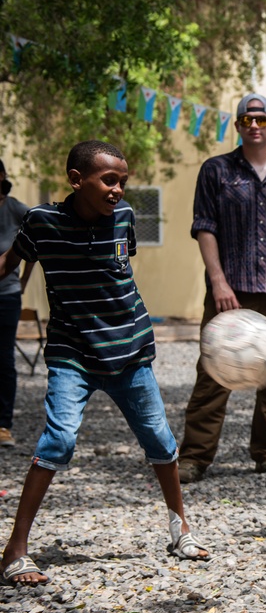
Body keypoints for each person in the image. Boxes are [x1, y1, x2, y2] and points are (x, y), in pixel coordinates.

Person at [0, 141, 209, 586]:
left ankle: (180, 528)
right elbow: (14, 260)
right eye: (108, 180)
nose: (118, 189)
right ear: (77, 180)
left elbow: (119, 269)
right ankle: (15, 549)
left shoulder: (125, 218)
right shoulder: (41, 222)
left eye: (123, 181)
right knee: (58, 440)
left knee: (159, 437)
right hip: (72, 351)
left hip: (129, 349)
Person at [177, 93, 266, 483]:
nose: (254, 125)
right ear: (237, 127)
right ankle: (194, 457)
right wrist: (218, 281)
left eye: (261, 119)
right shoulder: (216, 171)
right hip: (230, 293)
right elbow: (204, 228)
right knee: (213, 374)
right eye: (246, 120)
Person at [0, 159, 34, 447]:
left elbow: (36, 243)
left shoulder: (17, 209)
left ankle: (3, 425)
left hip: (6, 296)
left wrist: (23, 281)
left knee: (4, 359)